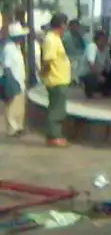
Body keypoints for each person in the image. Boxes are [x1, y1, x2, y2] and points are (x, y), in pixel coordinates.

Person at [40, 13, 71, 148]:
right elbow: (48, 61)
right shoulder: (51, 39)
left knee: (58, 109)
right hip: (56, 80)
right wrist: (44, 75)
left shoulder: (56, 38)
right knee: (56, 110)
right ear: (62, 25)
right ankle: (54, 137)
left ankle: (55, 135)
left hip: (60, 80)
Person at [2, 22, 28, 137]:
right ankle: (12, 129)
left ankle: (19, 126)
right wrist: (10, 82)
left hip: (20, 81)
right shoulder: (8, 48)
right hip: (13, 81)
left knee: (19, 107)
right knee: (11, 107)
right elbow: (6, 67)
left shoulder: (17, 47)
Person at [79, 30, 111, 98]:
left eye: (105, 40)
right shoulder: (92, 47)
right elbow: (91, 64)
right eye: (102, 40)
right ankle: (89, 90)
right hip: (88, 73)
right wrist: (99, 76)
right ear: (97, 40)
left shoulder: (105, 49)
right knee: (92, 77)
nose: (104, 42)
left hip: (99, 71)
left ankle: (106, 90)